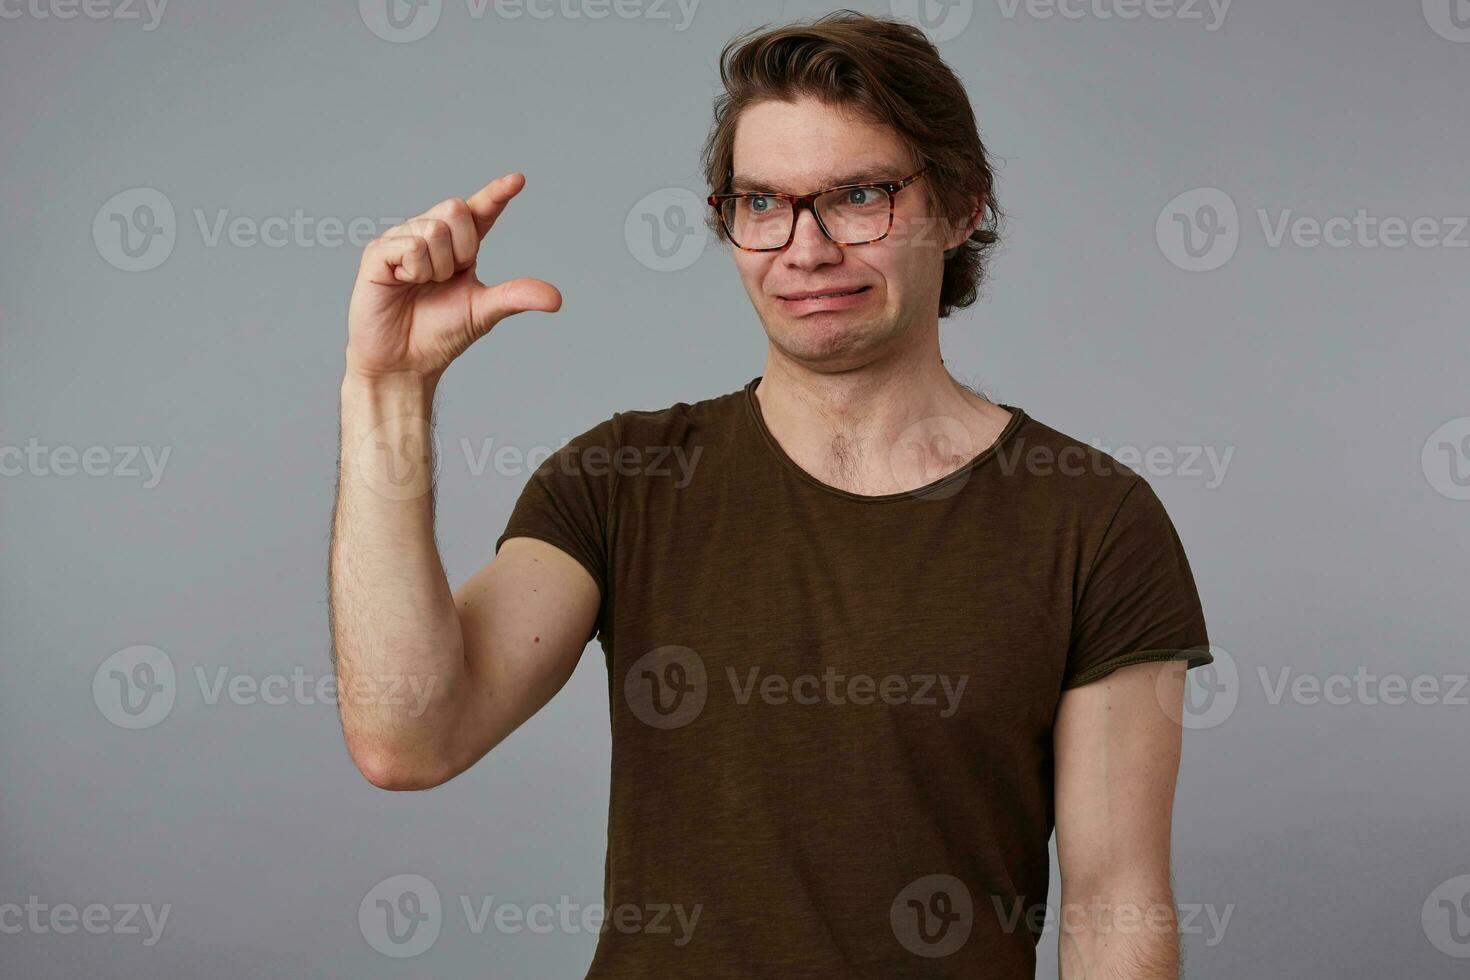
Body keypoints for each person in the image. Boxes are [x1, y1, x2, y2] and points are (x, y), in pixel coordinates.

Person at [329, 11, 1213, 977]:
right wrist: (389, 392)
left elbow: (1115, 906)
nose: (805, 248)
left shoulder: (1093, 520)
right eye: (763, 203)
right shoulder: (624, 480)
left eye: (859, 195)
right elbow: (409, 736)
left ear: (962, 207)